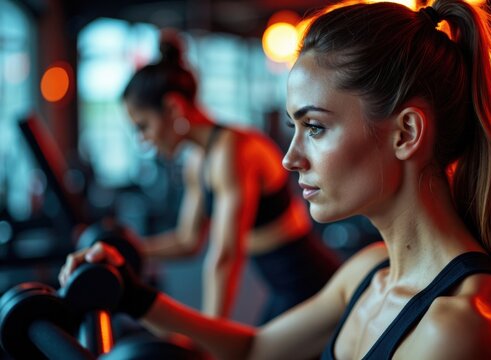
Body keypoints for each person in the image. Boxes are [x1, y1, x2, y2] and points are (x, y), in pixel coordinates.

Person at [59, 0, 491, 358]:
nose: (289, 159)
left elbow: (224, 259)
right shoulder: (370, 270)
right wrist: (130, 294)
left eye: (315, 127)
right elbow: (256, 349)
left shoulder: (461, 327)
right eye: (294, 127)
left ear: (406, 133)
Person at [116, 30, 340, 323]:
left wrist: (211, 339)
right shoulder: (198, 159)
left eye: (143, 126)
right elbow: (188, 240)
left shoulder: (232, 152)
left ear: (172, 107)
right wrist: (125, 250)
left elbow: (225, 257)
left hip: (311, 284)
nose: (144, 139)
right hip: (281, 288)